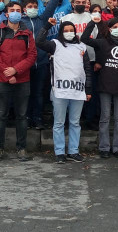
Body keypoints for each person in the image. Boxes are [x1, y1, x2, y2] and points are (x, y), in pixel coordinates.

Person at [36, 18, 93, 163]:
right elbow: (39, 41)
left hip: (77, 90)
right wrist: (47, 26)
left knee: (75, 122)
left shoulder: (81, 47)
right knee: (59, 123)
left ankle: (74, 151)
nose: (69, 33)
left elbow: (87, 68)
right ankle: (59, 152)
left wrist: (88, 90)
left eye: (71, 30)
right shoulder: (55, 44)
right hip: (60, 91)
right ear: (61, 32)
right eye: (66, 30)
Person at [82, 17, 118, 159]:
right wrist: (93, 23)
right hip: (105, 85)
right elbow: (84, 39)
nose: (117, 29)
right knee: (105, 118)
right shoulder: (102, 42)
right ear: (109, 29)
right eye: (115, 27)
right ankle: (104, 148)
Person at [0, 1, 37, 162]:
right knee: (1, 115)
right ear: (7, 13)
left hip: (22, 79)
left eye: (18, 10)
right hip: (1, 79)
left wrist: (16, 70)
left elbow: (32, 56)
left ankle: (21, 148)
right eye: (12, 10)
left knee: (22, 116)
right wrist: (8, 74)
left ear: (22, 13)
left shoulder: (27, 33)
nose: (15, 12)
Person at [22, 0, 64, 130]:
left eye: (35, 6)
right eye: (29, 7)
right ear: (24, 9)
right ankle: (26, 118)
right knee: (26, 92)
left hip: (41, 62)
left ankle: (37, 118)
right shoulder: (20, 22)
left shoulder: (42, 19)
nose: (32, 9)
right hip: (25, 64)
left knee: (39, 92)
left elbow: (52, 5)